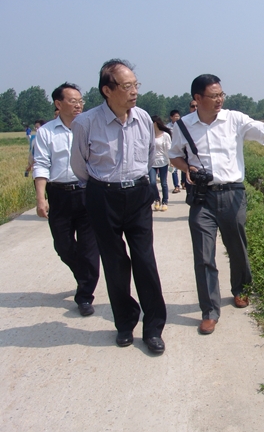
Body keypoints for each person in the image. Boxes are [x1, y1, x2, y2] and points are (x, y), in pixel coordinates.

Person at [169, 74, 264, 335]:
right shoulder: (183, 126)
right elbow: (174, 156)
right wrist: (187, 168)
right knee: (203, 254)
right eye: (214, 96)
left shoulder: (234, 119)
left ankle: (241, 289)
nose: (219, 100)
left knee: (237, 247)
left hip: (232, 193)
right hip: (202, 197)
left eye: (221, 94)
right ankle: (209, 311)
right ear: (198, 98)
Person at [70, 59, 167, 354]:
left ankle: (153, 327)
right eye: (127, 86)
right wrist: (102, 188)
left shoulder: (143, 119)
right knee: (114, 263)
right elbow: (79, 165)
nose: (134, 91)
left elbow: (149, 157)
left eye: (136, 85)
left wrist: (138, 184)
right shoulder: (86, 123)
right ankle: (125, 323)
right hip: (103, 196)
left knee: (145, 260)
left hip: (138, 194)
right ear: (107, 90)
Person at [32, 83, 100, 316]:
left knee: (90, 248)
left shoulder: (91, 127)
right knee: (63, 246)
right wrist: (41, 198)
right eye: (73, 101)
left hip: (87, 192)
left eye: (80, 101)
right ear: (58, 104)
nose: (78, 105)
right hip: (59, 194)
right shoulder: (46, 132)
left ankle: (84, 296)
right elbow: (41, 164)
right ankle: (84, 275)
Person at [149, 115, 172, 211]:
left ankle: (165, 201)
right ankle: (156, 199)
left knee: (164, 183)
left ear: (155, 123)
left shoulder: (165, 135)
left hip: (163, 161)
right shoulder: (149, 135)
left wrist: (171, 161)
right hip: (152, 162)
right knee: (152, 182)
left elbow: (168, 149)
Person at [166, 110, 183, 193]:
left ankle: (184, 182)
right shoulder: (168, 127)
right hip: (173, 149)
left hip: (182, 148)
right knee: (174, 169)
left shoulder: (183, 125)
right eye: (175, 116)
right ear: (171, 117)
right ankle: (176, 186)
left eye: (178, 116)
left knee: (184, 168)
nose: (177, 118)